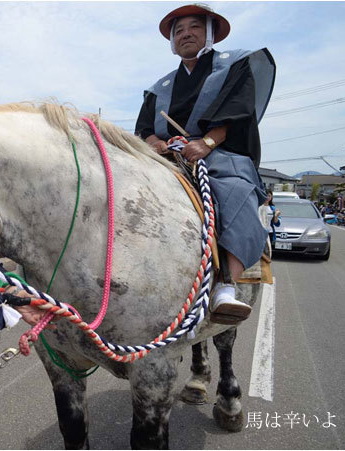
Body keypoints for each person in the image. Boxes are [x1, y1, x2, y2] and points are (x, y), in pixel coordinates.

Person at [135, 4, 275, 323]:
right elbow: (144, 128)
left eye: (195, 27)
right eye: (178, 30)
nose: (186, 33)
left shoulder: (234, 66)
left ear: (210, 33)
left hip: (219, 153)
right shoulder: (160, 88)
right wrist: (155, 143)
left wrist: (207, 142)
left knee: (234, 193)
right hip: (168, 157)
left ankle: (226, 284)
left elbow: (240, 111)